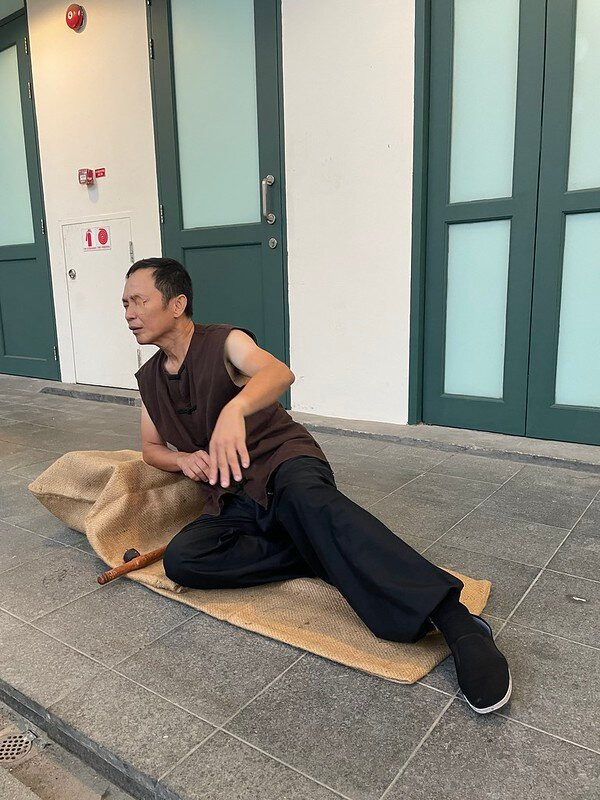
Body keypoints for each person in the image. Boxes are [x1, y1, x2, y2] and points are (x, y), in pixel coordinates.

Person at [123, 257, 511, 715]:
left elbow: (278, 373)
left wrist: (234, 410)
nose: (129, 313)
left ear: (177, 304)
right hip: (232, 493)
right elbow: (151, 448)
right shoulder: (150, 379)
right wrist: (184, 458)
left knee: (311, 503)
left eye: (138, 301)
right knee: (185, 560)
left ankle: (456, 621)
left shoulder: (224, 342)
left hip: (283, 462)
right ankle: (317, 545)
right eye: (125, 304)